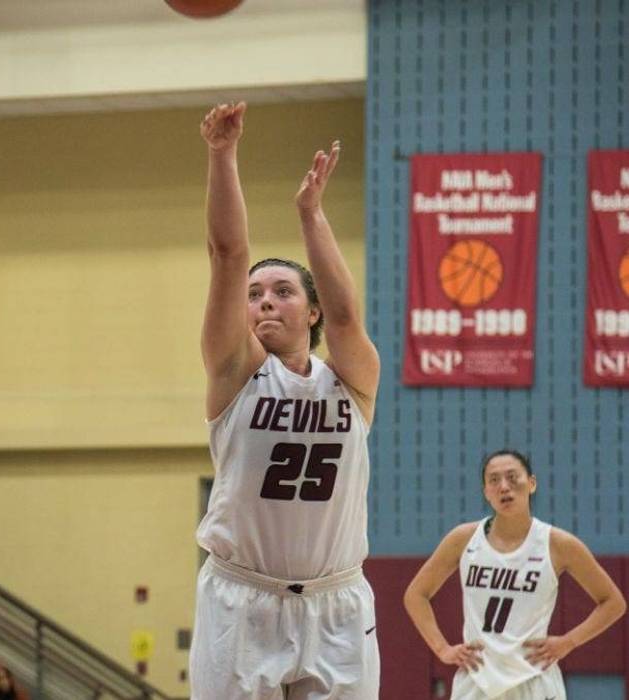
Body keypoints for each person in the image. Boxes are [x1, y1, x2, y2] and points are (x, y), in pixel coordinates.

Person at [189, 102, 381, 699]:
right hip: (241, 600)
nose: (264, 301)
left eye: (282, 291)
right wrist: (223, 155)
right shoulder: (236, 373)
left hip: (336, 602)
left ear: (312, 310)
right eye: (255, 295)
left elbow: (349, 312)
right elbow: (227, 256)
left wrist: (311, 214)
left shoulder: (351, 380)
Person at [403, 450, 626, 699]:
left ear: (531, 483)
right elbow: (416, 594)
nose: (504, 487)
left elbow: (613, 602)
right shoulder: (463, 539)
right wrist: (442, 649)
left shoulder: (558, 544)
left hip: (534, 679)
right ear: (486, 492)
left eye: (512, 477)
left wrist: (568, 642)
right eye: (494, 480)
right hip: (477, 679)